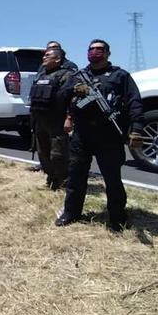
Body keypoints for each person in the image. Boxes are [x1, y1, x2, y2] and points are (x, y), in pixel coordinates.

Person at [55, 39, 145, 232]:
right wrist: (73, 89)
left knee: (112, 179)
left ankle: (117, 217)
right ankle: (71, 212)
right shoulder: (78, 75)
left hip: (108, 134)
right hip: (82, 134)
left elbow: (134, 102)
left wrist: (136, 128)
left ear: (108, 53)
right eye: (92, 49)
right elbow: (61, 96)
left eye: (100, 49)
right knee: (76, 176)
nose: (95, 52)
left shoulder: (119, 76)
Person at [29, 48, 74, 189]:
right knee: (43, 153)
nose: (44, 58)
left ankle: (61, 180)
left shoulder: (67, 75)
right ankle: (51, 177)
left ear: (58, 59)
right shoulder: (40, 75)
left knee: (58, 154)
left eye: (48, 55)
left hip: (57, 121)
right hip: (40, 120)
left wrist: (69, 118)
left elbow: (72, 100)